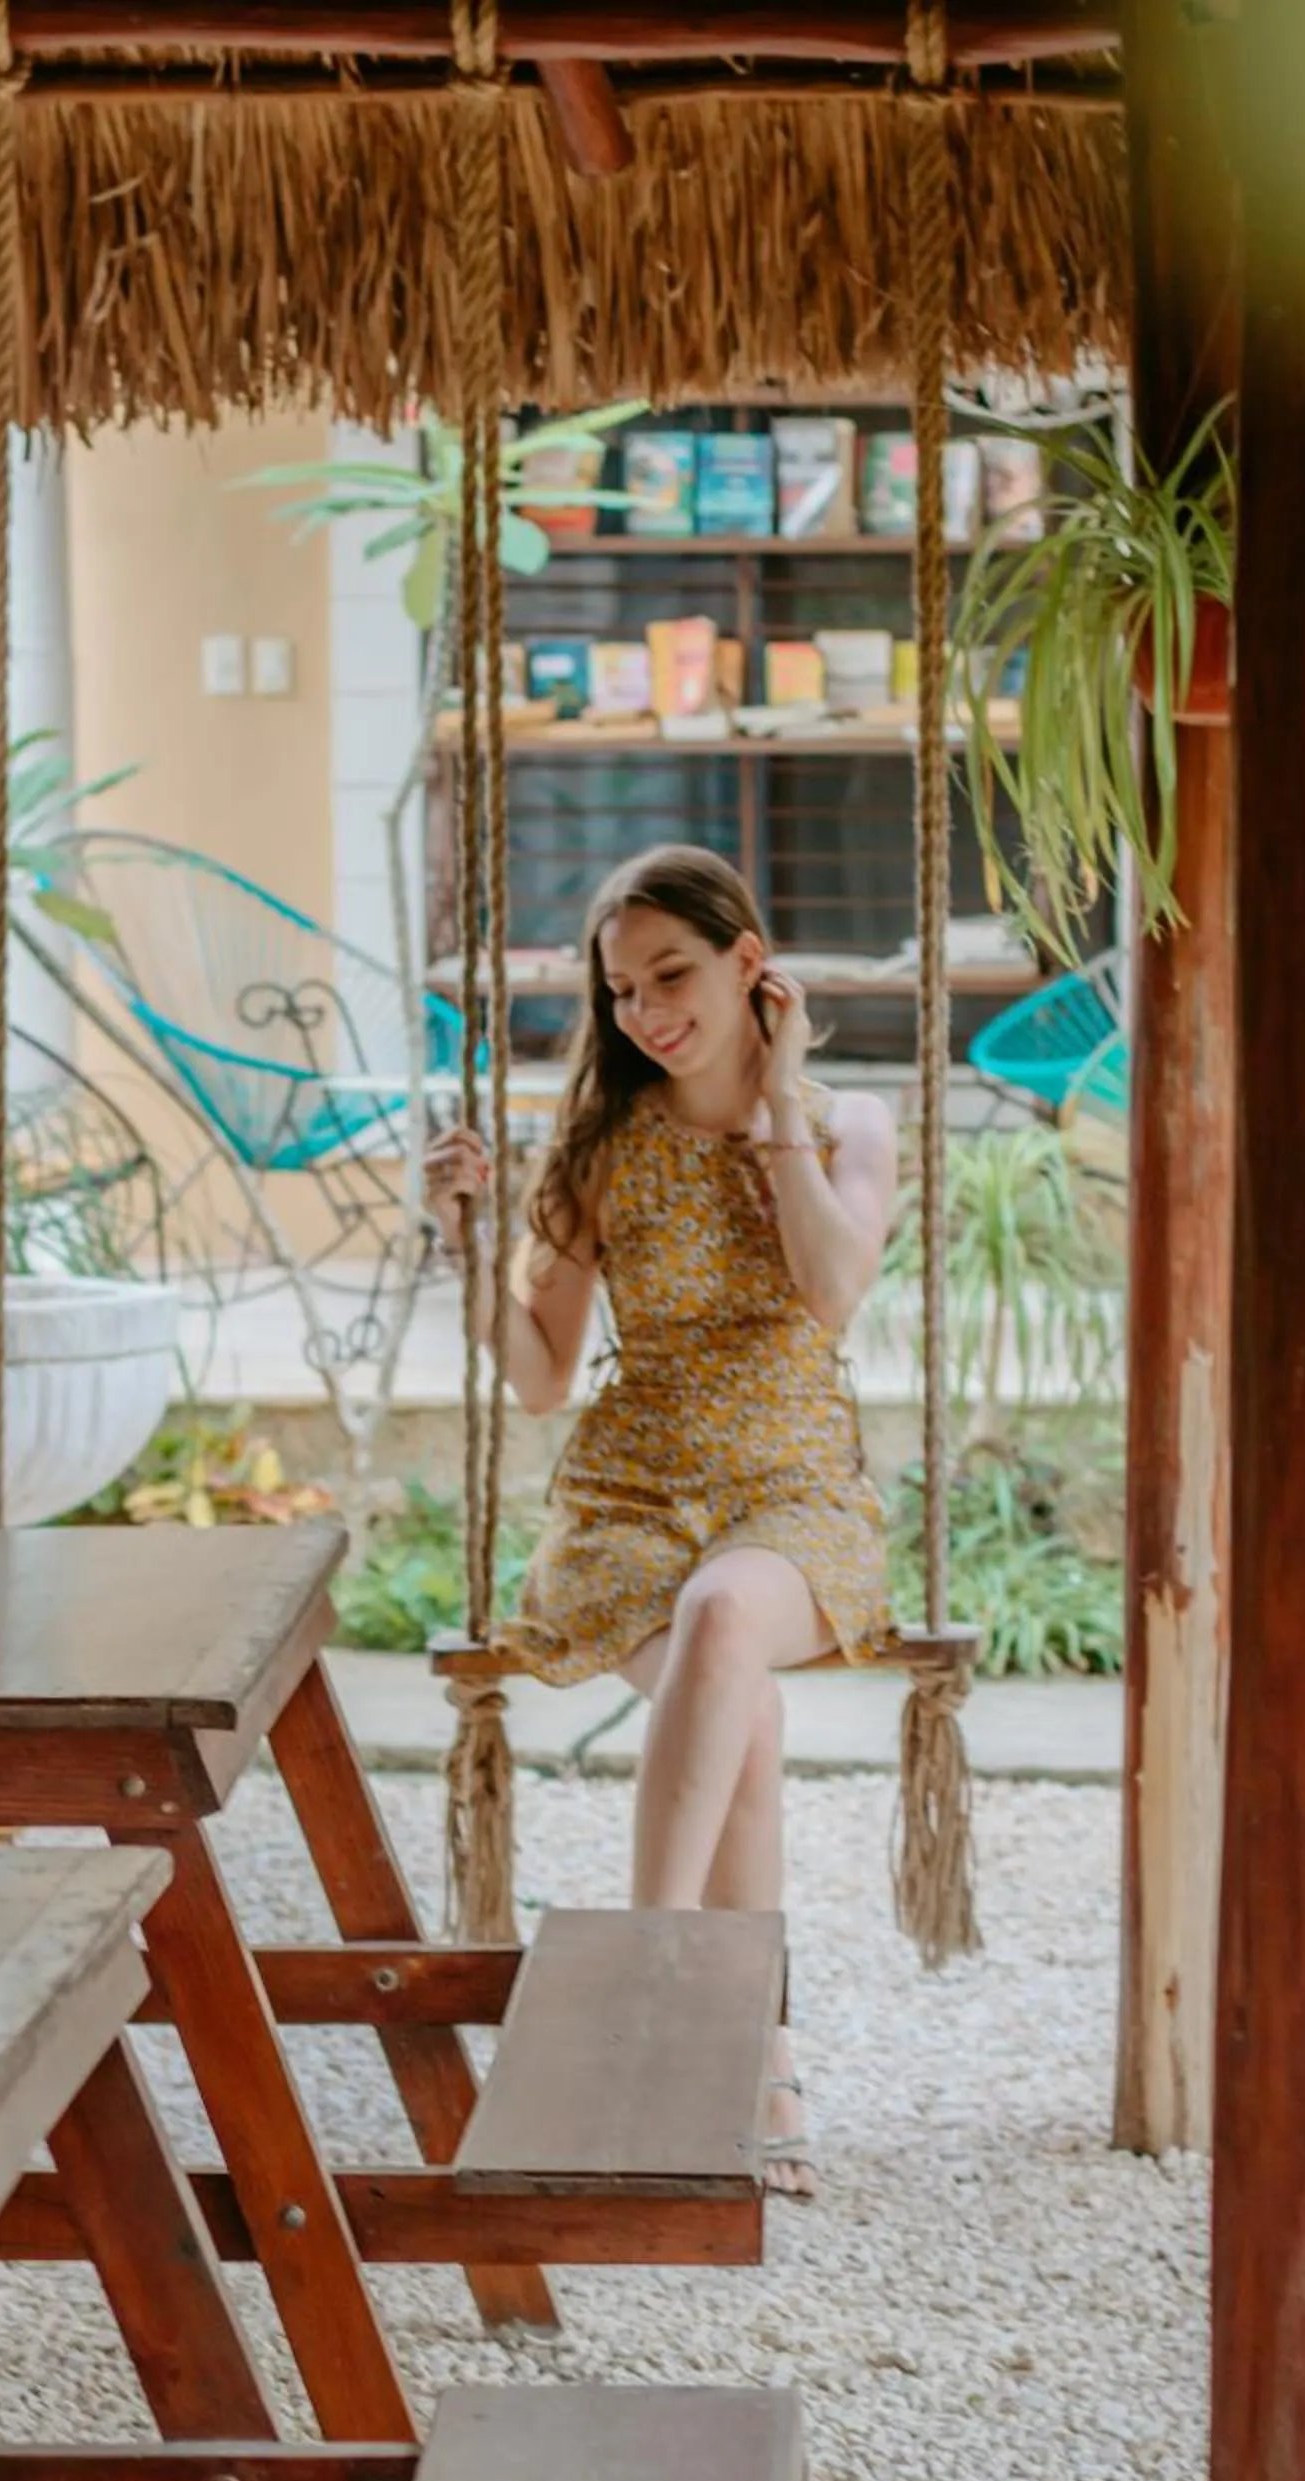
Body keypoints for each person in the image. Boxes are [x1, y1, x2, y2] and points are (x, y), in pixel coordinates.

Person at [424, 844, 898, 2199]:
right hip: (629, 1498)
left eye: (672, 975)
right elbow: (539, 1376)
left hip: (792, 1490)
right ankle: (761, 2067)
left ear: (753, 962)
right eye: (622, 988)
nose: (643, 1011)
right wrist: (464, 1244)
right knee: (732, 1699)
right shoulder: (596, 1152)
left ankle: (646, 1970)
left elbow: (828, 1294)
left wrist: (780, 1105)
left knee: (725, 1619)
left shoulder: (844, 1125)